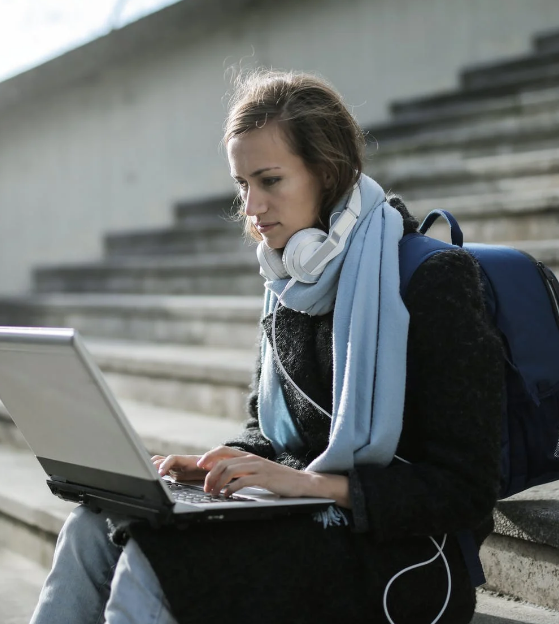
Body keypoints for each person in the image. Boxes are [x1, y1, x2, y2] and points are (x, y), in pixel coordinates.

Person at [29, 69, 504, 624]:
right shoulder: (288, 283)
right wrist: (214, 466)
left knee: (157, 560)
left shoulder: (433, 279)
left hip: (404, 557)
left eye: (270, 180)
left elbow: (466, 489)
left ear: (327, 174)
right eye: (241, 184)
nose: (251, 207)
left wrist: (309, 484)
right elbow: (270, 433)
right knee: (91, 527)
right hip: (300, 516)